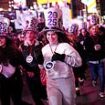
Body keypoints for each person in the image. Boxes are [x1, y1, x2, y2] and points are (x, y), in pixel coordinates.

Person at [39, 27, 82, 105]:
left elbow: (78, 62)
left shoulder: (65, 46)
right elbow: (46, 66)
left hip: (65, 80)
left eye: (53, 34)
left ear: (58, 35)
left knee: (69, 103)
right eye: (48, 34)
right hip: (51, 81)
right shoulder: (44, 49)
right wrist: (40, 63)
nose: (50, 37)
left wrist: (64, 57)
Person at [0, 33, 34, 105]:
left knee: (17, 101)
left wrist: (32, 70)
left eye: (2, 37)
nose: (0, 40)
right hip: (1, 83)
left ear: (6, 39)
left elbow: (23, 63)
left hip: (15, 81)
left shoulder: (15, 51)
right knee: (4, 102)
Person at [21, 27, 47, 105]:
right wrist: (26, 70)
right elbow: (21, 60)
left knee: (43, 93)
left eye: (31, 33)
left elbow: (46, 58)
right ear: (25, 35)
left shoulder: (41, 44)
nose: (29, 35)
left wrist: (42, 67)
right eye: (28, 33)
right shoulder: (21, 46)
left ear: (35, 34)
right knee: (34, 94)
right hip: (29, 73)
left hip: (40, 73)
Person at [83, 25, 105, 98]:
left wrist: (101, 48)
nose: (95, 30)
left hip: (100, 61)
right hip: (92, 62)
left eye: (96, 29)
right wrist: (93, 49)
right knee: (95, 75)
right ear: (90, 30)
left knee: (102, 76)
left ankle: (102, 91)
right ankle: (94, 79)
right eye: (93, 29)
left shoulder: (101, 38)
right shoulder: (87, 39)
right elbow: (86, 50)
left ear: (98, 30)